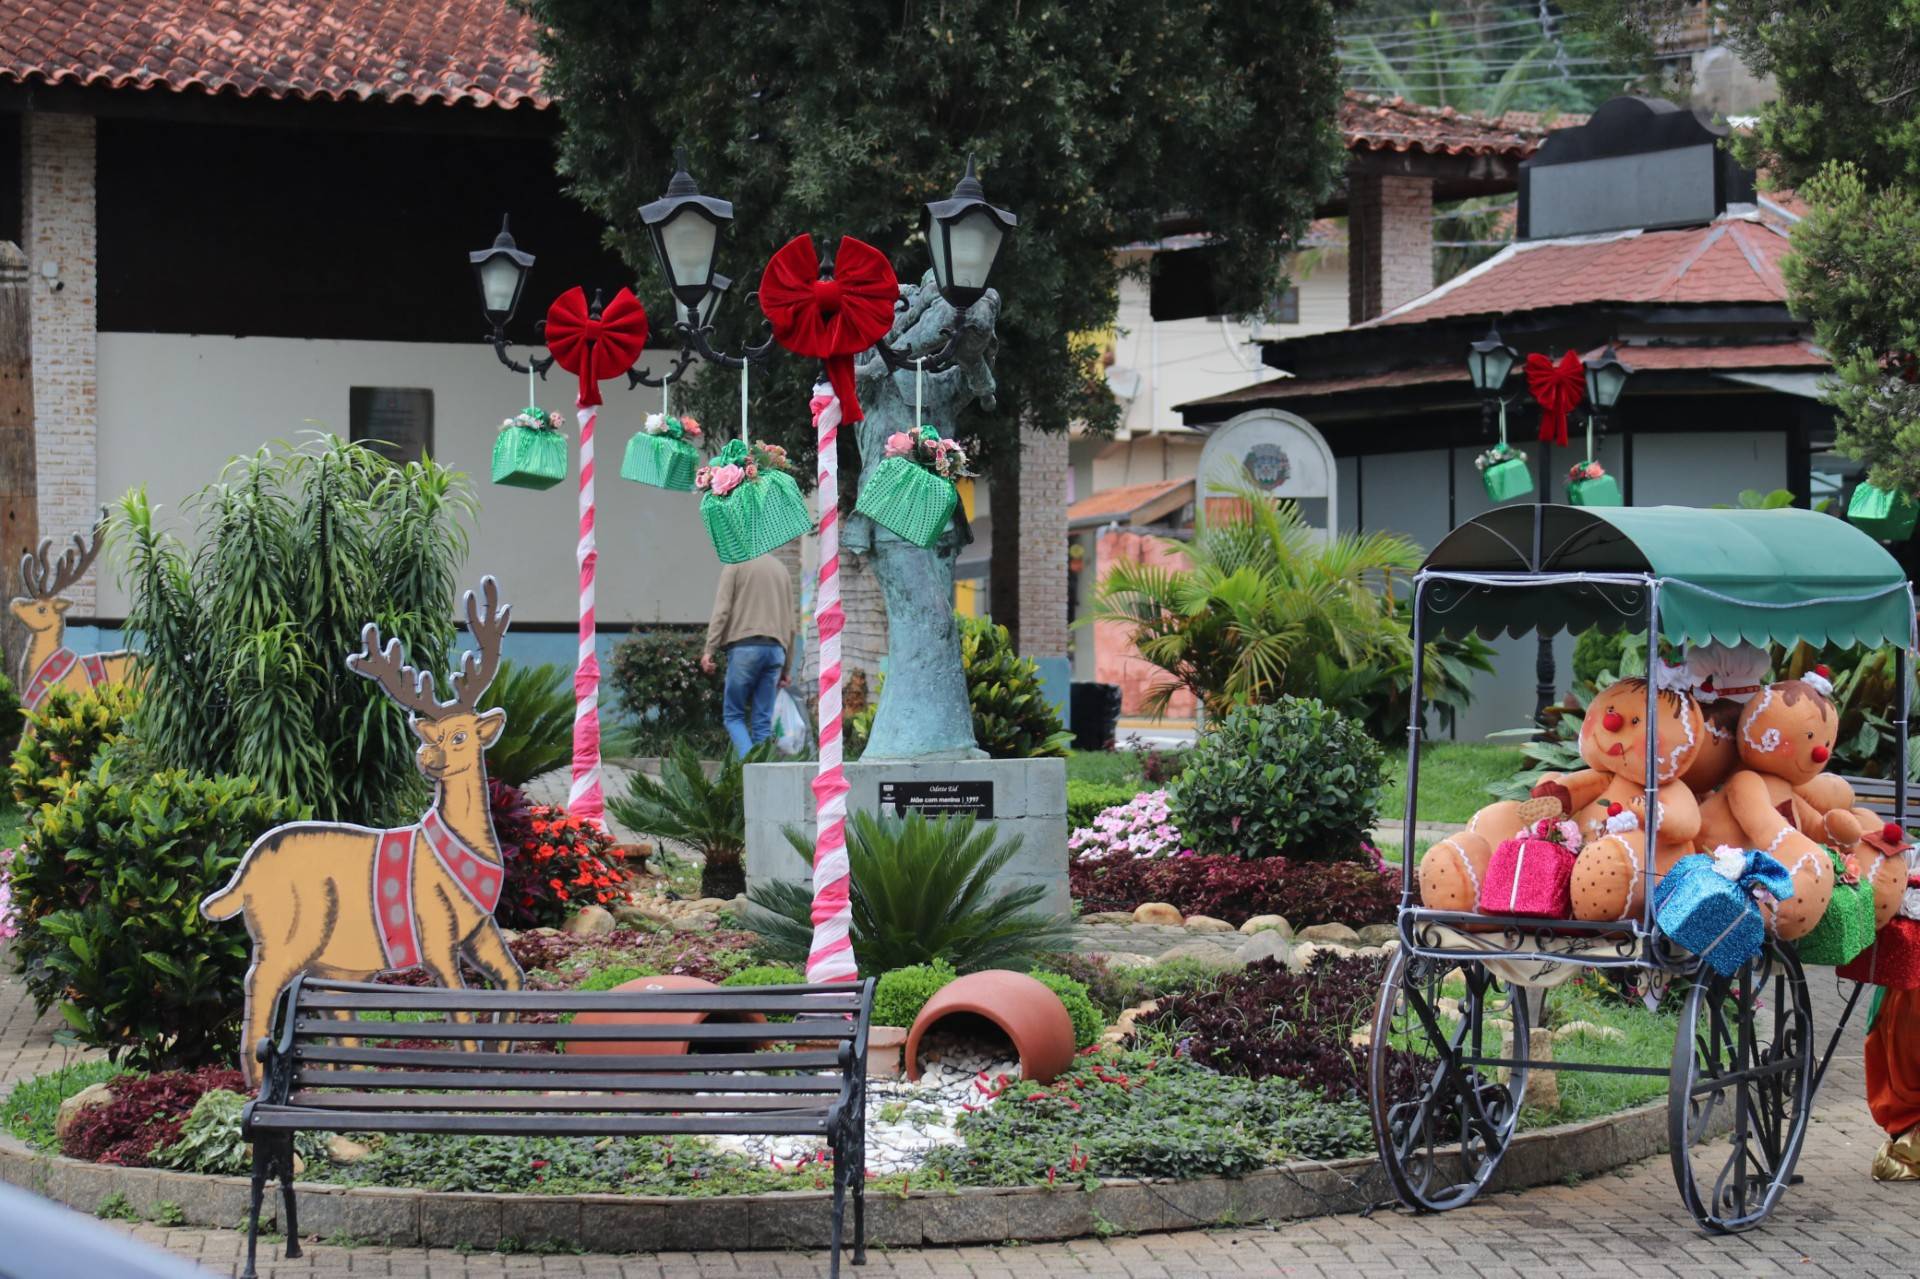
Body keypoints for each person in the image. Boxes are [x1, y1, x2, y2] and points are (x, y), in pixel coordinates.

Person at [701, 553, 795, 757]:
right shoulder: (781, 570)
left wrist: (710, 649)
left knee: (733, 716)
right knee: (762, 721)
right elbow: (791, 625)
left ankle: (750, 767)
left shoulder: (735, 563)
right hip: (776, 650)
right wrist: (787, 667)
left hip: (745, 648)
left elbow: (722, 611)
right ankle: (762, 777)